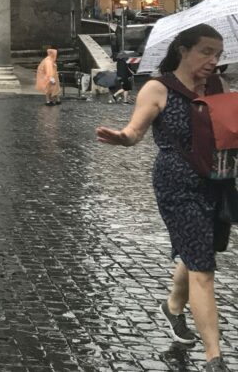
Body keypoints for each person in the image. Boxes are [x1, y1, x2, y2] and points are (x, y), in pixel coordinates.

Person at [96, 24, 234, 372]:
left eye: (217, 53)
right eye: (206, 51)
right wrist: (122, 138)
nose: (213, 59)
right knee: (203, 268)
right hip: (176, 186)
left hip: (216, 182)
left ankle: (172, 306)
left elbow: (229, 132)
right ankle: (214, 358)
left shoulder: (220, 86)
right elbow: (135, 132)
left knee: (196, 251)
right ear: (183, 50)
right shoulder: (158, 89)